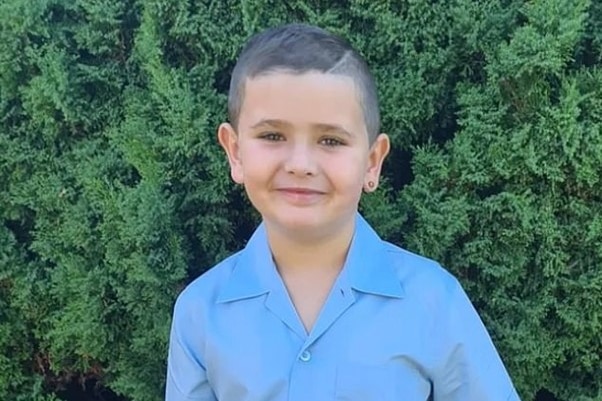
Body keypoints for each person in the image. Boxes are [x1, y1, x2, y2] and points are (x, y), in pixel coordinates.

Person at [165, 23, 520, 401]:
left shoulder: (433, 299)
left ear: (372, 162)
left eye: (330, 140)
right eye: (272, 136)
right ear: (234, 151)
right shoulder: (200, 312)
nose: (300, 164)